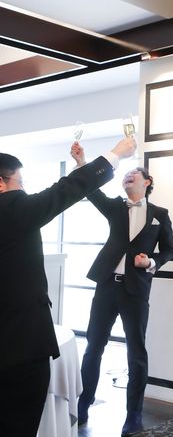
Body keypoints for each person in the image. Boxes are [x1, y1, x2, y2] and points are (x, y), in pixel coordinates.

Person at [0, 137, 136, 437]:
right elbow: (63, 191)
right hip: (18, 347)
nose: (24, 191)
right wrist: (115, 154)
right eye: (20, 183)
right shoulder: (9, 207)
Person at [71, 143, 173, 437]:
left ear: (147, 181)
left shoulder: (160, 214)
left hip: (136, 291)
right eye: (125, 174)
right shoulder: (115, 207)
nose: (127, 176)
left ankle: (134, 415)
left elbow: (169, 250)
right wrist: (82, 162)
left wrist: (151, 262)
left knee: (136, 353)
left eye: (133, 173)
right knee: (93, 347)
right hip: (106, 286)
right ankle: (83, 404)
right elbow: (92, 190)